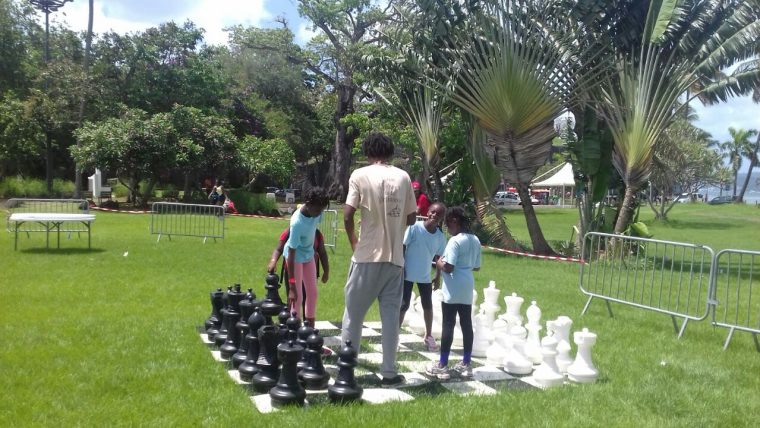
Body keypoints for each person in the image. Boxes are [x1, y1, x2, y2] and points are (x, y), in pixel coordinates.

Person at [341, 132, 417, 387]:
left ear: (367, 151)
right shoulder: (403, 177)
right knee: (390, 320)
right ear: (390, 152)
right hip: (395, 259)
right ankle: (389, 373)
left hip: (366, 257)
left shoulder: (360, 175)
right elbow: (411, 218)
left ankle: (347, 370)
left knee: (353, 315)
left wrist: (355, 242)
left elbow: (348, 214)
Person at [426, 206, 481, 380]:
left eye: (447, 224)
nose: (447, 228)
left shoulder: (455, 241)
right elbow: (477, 266)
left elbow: (448, 267)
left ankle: (442, 364)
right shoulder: (475, 240)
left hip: (453, 286)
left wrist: (438, 263)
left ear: (454, 221)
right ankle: (466, 363)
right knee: (466, 324)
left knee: (448, 325)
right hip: (467, 285)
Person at [399, 202, 447, 351]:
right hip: (407, 273)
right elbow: (403, 245)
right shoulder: (415, 227)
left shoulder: (440, 237)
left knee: (428, 306)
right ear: (427, 212)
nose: (434, 215)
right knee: (404, 304)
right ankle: (394, 334)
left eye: (438, 214)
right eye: (432, 212)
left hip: (425, 276)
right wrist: (401, 267)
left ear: (442, 219)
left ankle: (428, 335)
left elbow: (440, 257)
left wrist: (438, 276)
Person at [283, 187, 330, 324]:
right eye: (317, 210)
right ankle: (295, 329)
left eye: (321, 210)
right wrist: (291, 286)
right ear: (308, 204)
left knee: (313, 293)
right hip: (295, 258)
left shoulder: (316, 212)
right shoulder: (297, 223)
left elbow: (318, 240)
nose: (319, 214)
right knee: (297, 296)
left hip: (308, 256)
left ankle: (309, 327)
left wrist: (326, 270)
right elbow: (291, 253)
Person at [266, 226, 329, 318]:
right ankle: (293, 322)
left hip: (309, 270)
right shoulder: (289, 232)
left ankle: (307, 323)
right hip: (291, 271)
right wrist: (273, 261)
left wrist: (326, 271)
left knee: (309, 295)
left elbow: (322, 253)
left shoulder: (317, 234)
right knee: (293, 296)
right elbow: (278, 249)